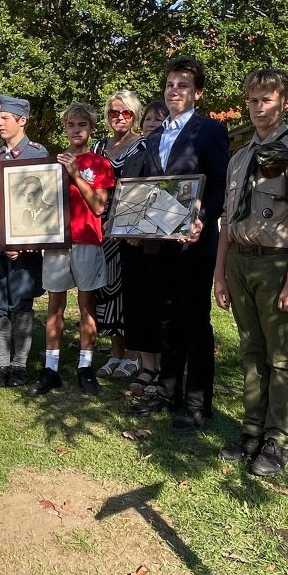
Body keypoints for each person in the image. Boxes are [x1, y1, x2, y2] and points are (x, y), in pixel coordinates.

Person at [214, 69, 288, 476]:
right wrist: (220, 273)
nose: (258, 107)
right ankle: (252, 430)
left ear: (285, 103)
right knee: (250, 349)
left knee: (280, 356)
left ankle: (280, 440)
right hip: (239, 261)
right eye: (253, 100)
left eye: (267, 99)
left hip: (276, 263)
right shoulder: (239, 157)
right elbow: (227, 218)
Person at [131, 57, 230, 434]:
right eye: (170, 85)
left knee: (194, 322)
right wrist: (134, 223)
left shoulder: (210, 131)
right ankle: (167, 392)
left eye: (183, 85)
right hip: (159, 244)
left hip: (194, 243)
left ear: (197, 93)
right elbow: (147, 189)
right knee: (166, 319)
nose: (175, 91)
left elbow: (219, 184)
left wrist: (204, 217)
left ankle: (197, 403)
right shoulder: (153, 137)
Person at [31, 104, 115, 396]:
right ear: (65, 129)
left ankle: (85, 367)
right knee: (55, 304)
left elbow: (99, 207)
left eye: (82, 124)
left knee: (86, 303)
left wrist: (76, 174)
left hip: (88, 239)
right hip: (57, 242)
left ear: (91, 128)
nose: (76, 130)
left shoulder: (100, 164)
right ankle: (51, 368)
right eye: (71, 125)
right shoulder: (52, 164)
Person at [0, 96, 49, 389]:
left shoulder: (38, 154)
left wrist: (28, 239)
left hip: (26, 244)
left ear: (22, 121)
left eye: (5, 118)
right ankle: (1, 366)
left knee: (21, 304)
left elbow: (44, 203)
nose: (0, 122)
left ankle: (19, 367)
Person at [92, 91, 147, 381]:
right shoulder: (99, 146)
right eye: (114, 112)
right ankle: (115, 352)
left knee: (130, 290)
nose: (120, 117)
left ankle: (134, 355)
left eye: (126, 112)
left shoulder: (143, 145)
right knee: (107, 290)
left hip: (130, 226)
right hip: (99, 226)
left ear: (135, 115)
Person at [120, 100, 168, 395]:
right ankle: (147, 367)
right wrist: (125, 228)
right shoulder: (133, 157)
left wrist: (145, 232)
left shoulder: (171, 156)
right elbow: (126, 196)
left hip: (162, 247)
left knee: (160, 306)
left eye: (158, 119)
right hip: (132, 245)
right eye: (147, 119)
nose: (151, 123)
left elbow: (170, 199)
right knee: (139, 307)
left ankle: (165, 369)